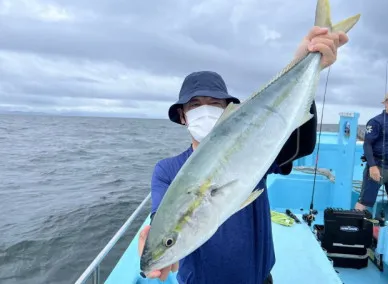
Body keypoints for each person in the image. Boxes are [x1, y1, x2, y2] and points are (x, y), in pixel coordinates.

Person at [138, 26, 349, 284]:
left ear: (229, 110)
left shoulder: (254, 148)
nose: (204, 110)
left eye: (214, 103)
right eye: (194, 105)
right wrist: (156, 245)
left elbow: (300, 146)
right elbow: (162, 218)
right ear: (182, 116)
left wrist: (306, 64)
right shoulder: (167, 169)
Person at [355, 89, 388, 221]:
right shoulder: (376, 122)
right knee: (365, 201)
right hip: (378, 167)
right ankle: (352, 229)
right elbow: (367, 144)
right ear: (386, 102)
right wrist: (372, 166)